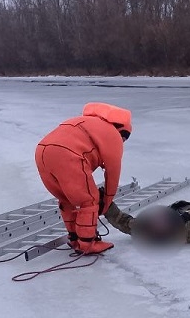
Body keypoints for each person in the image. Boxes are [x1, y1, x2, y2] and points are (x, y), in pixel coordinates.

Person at [35, 102, 132, 255]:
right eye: (124, 139)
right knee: (89, 200)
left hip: (42, 150)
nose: (123, 143)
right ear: (121, 130)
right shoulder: (112, 134)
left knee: (66, 199)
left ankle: (74, 239)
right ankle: (87, 244)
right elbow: (113, 173)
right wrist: (106, 203)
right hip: (68, 155)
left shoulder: (83, 122)